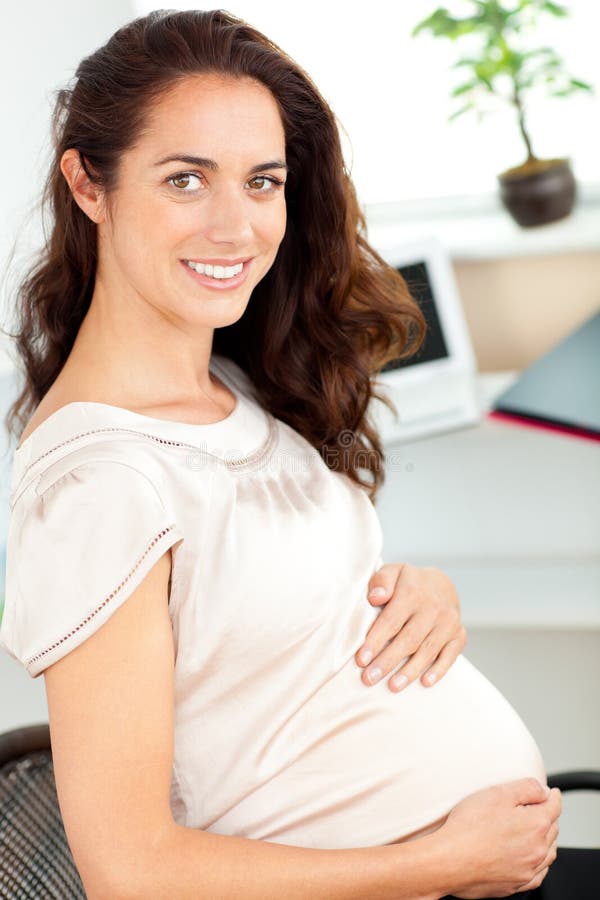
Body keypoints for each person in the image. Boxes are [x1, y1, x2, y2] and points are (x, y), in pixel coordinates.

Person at [0, 9, 561, 899]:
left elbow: (264, 632)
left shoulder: (230, 379)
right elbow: (130, 873)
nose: (237, 227)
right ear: (88, 184)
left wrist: (416, 594)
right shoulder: (99, 485)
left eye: (263, 181)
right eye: (186, 179)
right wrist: (444, 861)